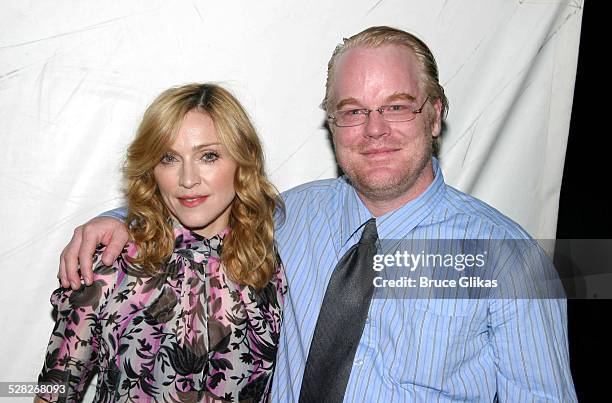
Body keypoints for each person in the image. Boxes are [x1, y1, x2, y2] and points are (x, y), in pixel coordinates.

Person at [57, 27, 577, 402]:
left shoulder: (510, 262)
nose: (374, 130)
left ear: (435, 114)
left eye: (396, 106)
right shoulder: (293, 215)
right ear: (331, 122)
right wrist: (121, 217)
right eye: (352, 111)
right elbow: (200, 204)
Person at [36, 83, 286, 403]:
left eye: (208, 156)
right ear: (152, 169)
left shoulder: (270, 263)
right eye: (169, 158)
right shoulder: (110, 268)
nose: (187, 179)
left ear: (243, 161)